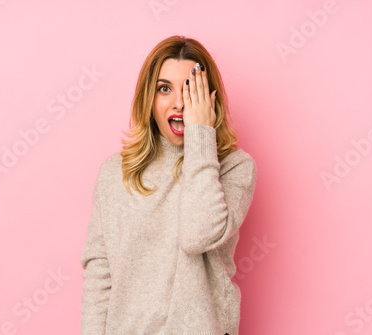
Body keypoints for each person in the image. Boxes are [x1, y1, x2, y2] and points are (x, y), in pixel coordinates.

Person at [80, 35, 258, 335]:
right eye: (164, 89)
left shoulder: (235, 167)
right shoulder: (115, 173)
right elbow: (100, 273)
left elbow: (197, 235)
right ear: (148, 98)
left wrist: (201, 134)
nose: (178, 102)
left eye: (190, 89)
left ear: (209, 98)